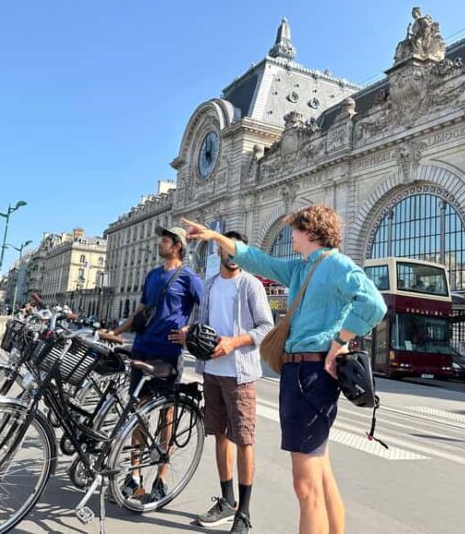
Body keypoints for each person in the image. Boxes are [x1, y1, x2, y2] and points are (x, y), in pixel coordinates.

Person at [182, 206, 386, 534]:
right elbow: (257, 260)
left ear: (311, 232)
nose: (290, 235)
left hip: (311, 374)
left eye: (295, 229)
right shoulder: (301, 268)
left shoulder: (336, 265)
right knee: (320, 475)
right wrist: (214, 236)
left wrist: (339, 341)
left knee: (305, 487)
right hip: (301, 374)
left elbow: (374, 304)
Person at [169, 231, 273, 534]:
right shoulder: (211, 286)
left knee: (244, 439)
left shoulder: (251, 285)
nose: (228, 252)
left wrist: (234, 342)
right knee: (220, 436)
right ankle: (227, 500)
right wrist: (190, 331)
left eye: (233, 248)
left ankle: (244, 511)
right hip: (212, 371)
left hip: (240, 374)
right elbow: (205, 325)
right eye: (223, 247)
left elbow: (267, 327)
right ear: (218, 250)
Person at [103, 225, 203, 504]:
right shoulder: (152, 275)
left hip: (168, 354)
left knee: (166, 416)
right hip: (142, 349)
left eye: (166, 239)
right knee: (138, 414)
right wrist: (118, 332)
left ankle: (161, 477)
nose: (160, 242)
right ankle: (134, 477)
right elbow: (139, 311)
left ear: (178, 246)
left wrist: (189, 333)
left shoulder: (189, 278)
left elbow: (204, 309)